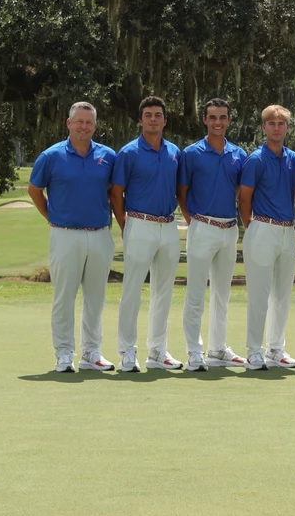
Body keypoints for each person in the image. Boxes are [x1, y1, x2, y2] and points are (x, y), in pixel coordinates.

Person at [28, 102, 117, 372]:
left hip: (100, 235)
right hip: (65, 235)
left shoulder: (108, 156)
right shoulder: (51, 156)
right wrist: (53, 218)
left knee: (96, 297)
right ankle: (64, 353)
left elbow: (114, 192)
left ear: (95, 126)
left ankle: (92, 353)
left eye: (89, 122)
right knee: (64, 296)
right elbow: (34, 190)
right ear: (68, 123)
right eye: (79, 121)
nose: (84, 126)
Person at [110, 96, 183, 372]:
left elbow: (180, 189)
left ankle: (158, 352)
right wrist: (125, 223)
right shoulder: (128, 153)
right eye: (148, 115)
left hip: (168, 225)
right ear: (140, 120)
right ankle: (127, 351)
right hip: (139, 223)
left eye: (158, 115)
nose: (153, 119)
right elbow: (116, 193)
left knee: (163, 291)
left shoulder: (175, 151)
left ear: (165, 120)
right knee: (132, 291)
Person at [176, 97, 247, 372]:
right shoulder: (191, 153)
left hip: (229, 229)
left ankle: (218, 348)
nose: (218, 122)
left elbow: (240, 192)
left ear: (229, 120)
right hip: (202, 227)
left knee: (222, 293)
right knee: (196, 292)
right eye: (212, 117)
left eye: (223, 117)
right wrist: (193, 220)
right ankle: (194, 350)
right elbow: (182, 192)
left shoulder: (239, 154)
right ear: (204, 120)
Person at [239, 105, 295, 371]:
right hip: (262, 227)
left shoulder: (294, 159)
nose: (277, 128)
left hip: (287, 231)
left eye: (281, 124)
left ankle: (276, 349)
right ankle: (254, 350)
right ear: (264, 127)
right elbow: (244, 197)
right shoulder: (255, 159)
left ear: (287, 128)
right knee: (259, 294)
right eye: (271, 123)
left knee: (283, 294)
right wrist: (252, 227)